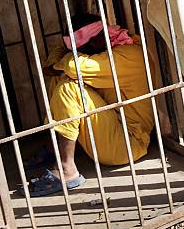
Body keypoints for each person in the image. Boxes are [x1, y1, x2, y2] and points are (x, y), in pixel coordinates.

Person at [30, 14, 154, 196]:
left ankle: (67, 170)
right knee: (61, 77)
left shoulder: (129, 55)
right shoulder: (105, 49)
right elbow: (54, 65)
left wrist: (64, 60)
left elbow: (71, 66)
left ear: (97, 41)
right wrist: (65, 53)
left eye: (82, 49)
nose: (81, 53)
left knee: (68, 85)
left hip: (127, 143)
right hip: (111, 125)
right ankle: (54, 147)